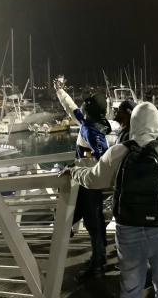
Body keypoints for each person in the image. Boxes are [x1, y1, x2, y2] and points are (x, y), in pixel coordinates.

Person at [64, 102, 158, 298]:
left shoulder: (117, 152)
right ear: (156, 123)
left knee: (130, 287)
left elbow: (93, 180)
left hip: (128, 228)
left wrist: (74, 171)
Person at [54, 78, 111, 282]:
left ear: (89, 111)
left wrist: (79, 165)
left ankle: (97, 264)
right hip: (85, 180)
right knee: (93, 222)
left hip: (89, 183)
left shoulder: (92, 130)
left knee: (93, 223)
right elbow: (71, 109)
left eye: (84, 106)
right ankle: (99, 257)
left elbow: (103, 159)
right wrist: (60, 91)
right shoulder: (89, 122)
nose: (81, 108)